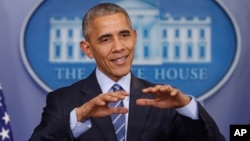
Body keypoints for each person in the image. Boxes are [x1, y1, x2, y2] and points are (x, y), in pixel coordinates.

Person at [29, 2, 225, 141]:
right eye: (105, 39)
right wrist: (79, 116)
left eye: (124, 35)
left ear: (134, 38)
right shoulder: (63, 101)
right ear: (87, 49)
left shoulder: (164, 100)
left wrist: (187, 107)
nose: (119, 47)